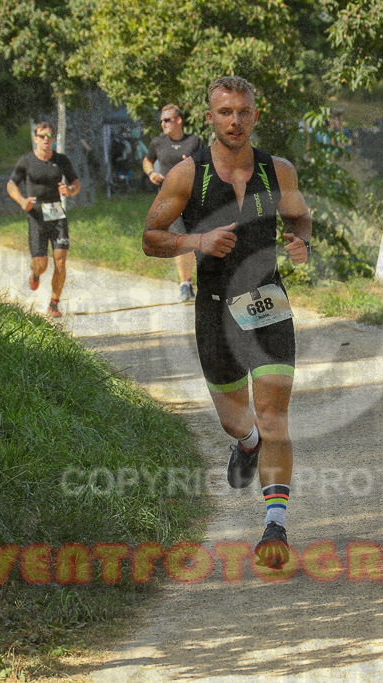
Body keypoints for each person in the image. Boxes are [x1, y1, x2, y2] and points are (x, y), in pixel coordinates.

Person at [142, 76, 311, 569]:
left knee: (275, 412)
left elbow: (299, 219)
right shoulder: (185, 176)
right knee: (234, 418)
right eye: (224, 112)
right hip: (214, 304)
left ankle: (274, 524)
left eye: (243, 111)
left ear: (255, 116)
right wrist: (196, 242)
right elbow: (151, 237)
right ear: (210, 118)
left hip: (267, 299)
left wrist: (300, 241)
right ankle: (246, 443)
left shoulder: (278, 171)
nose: (234, 120)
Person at [6, 122, 81, 318]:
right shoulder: (27, 161)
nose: (46, 139)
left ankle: (54, 304)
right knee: (42, 264)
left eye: (50, 135)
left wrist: (70, 190)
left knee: (61, 262)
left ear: (54, 139)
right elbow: (11, 184)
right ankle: (36, 273)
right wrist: (22, 201)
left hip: (57, 215)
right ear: (36, 139)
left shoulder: (61, 160)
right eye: (42, 136)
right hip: (36, 216)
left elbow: (75, 182)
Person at [143, 104, 204, 302]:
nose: (163, 124)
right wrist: (151, 172)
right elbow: (147, 160)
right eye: (161, 120)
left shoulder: (194, 141)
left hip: (192, 198)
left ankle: (199, 282)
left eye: (167, 120)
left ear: (179, 120)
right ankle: (185, 284)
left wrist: (193, 164)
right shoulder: (158, 142)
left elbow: (207, 165)